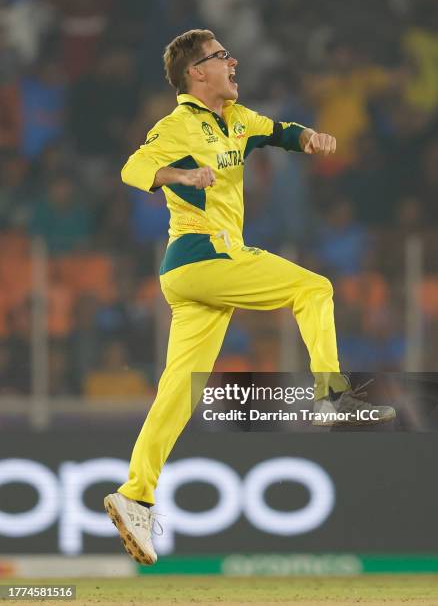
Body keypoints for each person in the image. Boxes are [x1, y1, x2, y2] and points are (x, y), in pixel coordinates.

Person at [104, 29, 395, 565]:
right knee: (316, 287)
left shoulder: (237, 119)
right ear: (197, 73)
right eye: (220, 57)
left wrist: (308, 137)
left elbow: (278, 131)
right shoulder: (175, 126)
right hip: (205, 255)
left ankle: (135, 496)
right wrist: (181, 173)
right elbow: (132, 168)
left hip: (196, 279)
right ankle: (332, 395)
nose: (232, 61)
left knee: (179, 391)